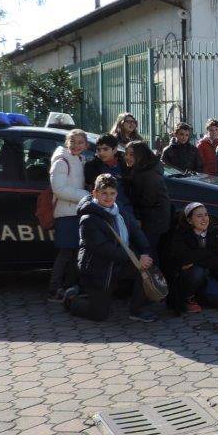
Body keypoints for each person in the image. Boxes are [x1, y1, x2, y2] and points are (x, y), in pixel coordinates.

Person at [65, 174, 156, 322]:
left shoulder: (120, 211)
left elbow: (136, 232)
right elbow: (103, 248)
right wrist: (136, 258)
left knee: (145, 268)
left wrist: (146, 252)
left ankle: (137, 310)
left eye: (112, 193)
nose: (108, 198)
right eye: (104, 193)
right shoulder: (88, 219)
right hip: (98, 269)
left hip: (119, 262)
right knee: (98, 315)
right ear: (95, 193)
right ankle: (71, 299)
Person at [48, 129, 89, 301]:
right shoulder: (61, 161)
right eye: (73, 141)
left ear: (86, 145)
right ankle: (54, 289)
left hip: (75, 211)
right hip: (65, 213)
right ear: (67, 143)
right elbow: (58, 189)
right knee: (65, 253)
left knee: (74, 252)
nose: (76, 145)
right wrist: (86, 195)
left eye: (80, 142)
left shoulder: (79, 159)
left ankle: (69, 287)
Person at [167, 202, 218, 313]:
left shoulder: (213, 233)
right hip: (187, 277)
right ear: (189, 220)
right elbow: (183, 258)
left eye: (206, 215)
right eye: (199, 216)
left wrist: (197, 260)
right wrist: (207, 254)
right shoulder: (181, 235)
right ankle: (188, 298)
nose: (204, 219)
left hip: (209, 274)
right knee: (197, 272)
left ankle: (199, 296)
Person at [123, 141, 172, 264]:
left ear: (141, 155)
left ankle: (154, 281)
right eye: (126, 153)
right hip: (154, 219)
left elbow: (147, 201)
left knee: (148, 252)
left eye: (131, 154)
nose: (127, 157)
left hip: (153, 221)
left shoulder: (147, 174)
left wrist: (138, 217)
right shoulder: (144, 169)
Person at [84, 133, 130, 213]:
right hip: (104, 210)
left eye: (105, 149)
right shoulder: (92, 166)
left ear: (115, 149)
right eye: (98, 149)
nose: (101, 153)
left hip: (127, 209)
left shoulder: (125, 164)